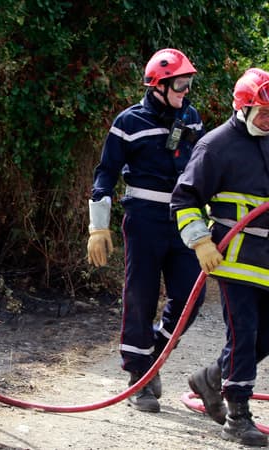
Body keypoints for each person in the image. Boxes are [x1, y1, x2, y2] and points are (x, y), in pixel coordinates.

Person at [86, 48, 206, 413]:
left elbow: (202, 168)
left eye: (188, 85)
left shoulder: (192, 119)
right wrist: (98, 225)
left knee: (191, 298)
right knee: (141, 296)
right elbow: (106, 172)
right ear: (159, 86)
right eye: (180, 85)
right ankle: (139, 377)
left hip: (183, 218)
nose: (186, 92)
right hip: (143, 219)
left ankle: (152, 354)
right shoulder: (129, 121)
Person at [170, 67, 269, 447]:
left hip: (268, 262)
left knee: (265, 336)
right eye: (263, 113)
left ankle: (210, 379)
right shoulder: (216, 146)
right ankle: (238, 414)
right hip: (235, 262)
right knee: (243, 335)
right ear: (243, 108)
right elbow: (184, 199)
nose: (268, 120)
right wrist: (200, 242)